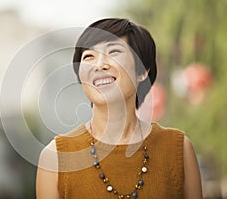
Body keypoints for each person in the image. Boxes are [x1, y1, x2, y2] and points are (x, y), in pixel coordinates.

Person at [36, 18, 203, 199]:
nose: (99, 65)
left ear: (142, 72)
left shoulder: (178, 148)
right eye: (89, 57)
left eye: (113, 51)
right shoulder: (55, 157)